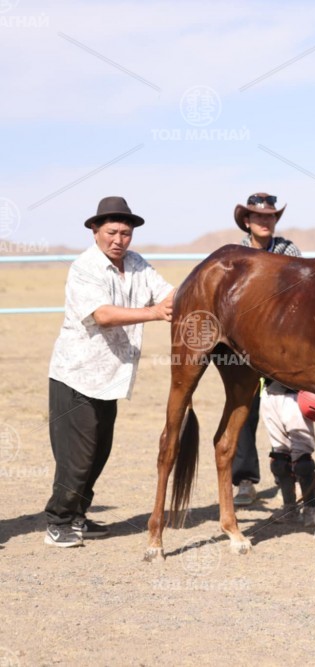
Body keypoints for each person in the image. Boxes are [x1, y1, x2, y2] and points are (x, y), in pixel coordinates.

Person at [44, 196, 174, 547]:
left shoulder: (137, 264)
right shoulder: (84, 267)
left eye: (125, 234)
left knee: (98, 453)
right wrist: (154, 313)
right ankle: (58, 521)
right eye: (112, 232)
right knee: (77, 456)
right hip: (77, 375)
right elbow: (102, 315)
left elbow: (167, 294)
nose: (119, 240)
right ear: (95, 231)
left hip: (111, 378)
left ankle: (78, 516)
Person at [230, 193, 315, 527]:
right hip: (243, 343)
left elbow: (301, 292)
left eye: (270, 216)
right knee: (243, 410)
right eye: (258, 216)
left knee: (290, 411)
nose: (265, 221)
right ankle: (245, 480)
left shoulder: (289, 250)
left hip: (280, 341)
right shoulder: (235, 254)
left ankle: (303, 499)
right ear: (247, 221)